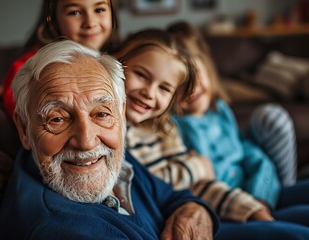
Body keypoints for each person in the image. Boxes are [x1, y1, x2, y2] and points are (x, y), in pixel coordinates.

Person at [0, 39, 219, 240]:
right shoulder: (63, 229)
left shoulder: (115, 155)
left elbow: (169, 195)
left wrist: (194, 209)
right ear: (24, 129)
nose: (87, 141)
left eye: (101, 113)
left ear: (121, 114)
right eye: (58, 119)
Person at [115, 27, 309, 240]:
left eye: (164, 88)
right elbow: (153, 184)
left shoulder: (164, 132)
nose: (149, 93)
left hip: (223, 201)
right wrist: (197, 167)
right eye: (141, 75)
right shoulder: (112, 129)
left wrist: (249, 208)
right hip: (191, 218)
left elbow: (202, 185)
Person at [0, 0, 120, 157]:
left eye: (99, 9)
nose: (90, 22)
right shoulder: (30, 68)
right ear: (52, 19)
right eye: (74, 12)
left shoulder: (122, 60)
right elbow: (29, 115)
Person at [167, 20, 297, 187]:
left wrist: (263, 186)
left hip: (260, 191)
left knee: (272, 116)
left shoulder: (219, 109)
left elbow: (245, 151)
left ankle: (288, 187)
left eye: (196, 75)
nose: (191, 90)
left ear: (207, 68)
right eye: (181, 83)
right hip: (236, 205)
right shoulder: (176, 129)